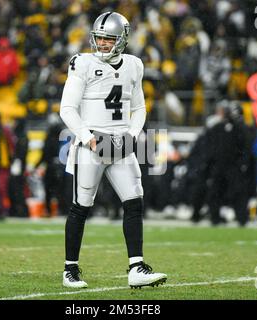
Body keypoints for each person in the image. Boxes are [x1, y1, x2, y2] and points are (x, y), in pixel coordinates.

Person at [59, 12, 167, 289]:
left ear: (121, 40)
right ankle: (70, 269)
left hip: (121, 143)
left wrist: (132, 135)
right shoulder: (82, 63)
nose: (103, 44)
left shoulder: (134, 65)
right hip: (91, 144)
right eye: (100, 38)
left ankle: (136, 267)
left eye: (109, 39)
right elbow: (67, 109)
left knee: (134, 201)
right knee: (81, 206)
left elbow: (139, 107)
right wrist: (87, 138)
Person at [8, 117, 29, 217]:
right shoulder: (17, 135)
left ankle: (22, 212)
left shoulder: (22, 136)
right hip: (15, 165)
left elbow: (22, 152)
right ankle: (15, 210)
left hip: (18, 165)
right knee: (14, 189)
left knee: (18, 190)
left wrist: (17, 161)